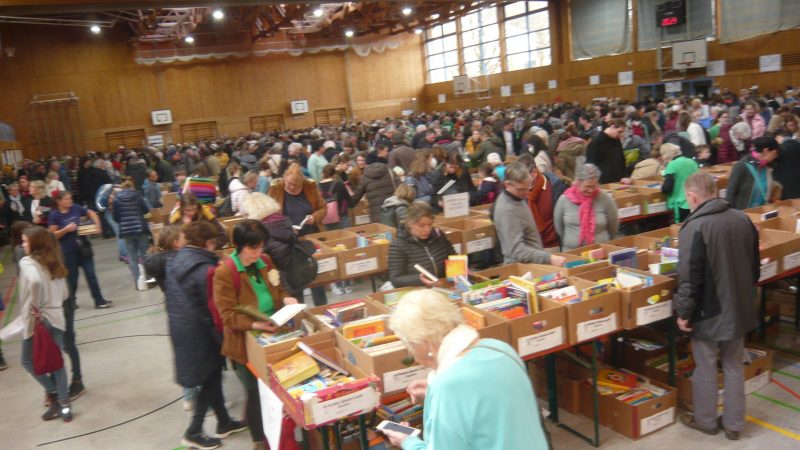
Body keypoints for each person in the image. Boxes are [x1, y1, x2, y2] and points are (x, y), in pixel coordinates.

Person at [382, 289, 549, 450]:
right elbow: (486, 403)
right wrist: (437, 392)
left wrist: (408, 441)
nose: (412, 355)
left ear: (424, 342)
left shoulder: (448, 386)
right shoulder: (500, 348)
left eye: (408, 344)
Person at [675, 172, 759, 442]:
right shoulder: (743, 219)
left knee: (706, 367)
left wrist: (684, 312)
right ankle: (734, 425)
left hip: (709, 312)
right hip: (740, 307)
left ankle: (706, 420)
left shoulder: (694, 227)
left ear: (692, 196)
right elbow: (755, 268)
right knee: (734, 366)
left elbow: (690, 276)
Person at [214, 220, 300, 450]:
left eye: (261, 247)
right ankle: (259, 441)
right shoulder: (226, 271)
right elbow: (228, 315)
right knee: (255, 392)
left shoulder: (265, 262)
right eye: (253, 248)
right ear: (239, 245)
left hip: (274, 333)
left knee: (277, 387)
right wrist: (256, 324)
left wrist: (286, 298)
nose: (258, 253)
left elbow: (279, 287)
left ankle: (282, 436)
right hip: (246, 342)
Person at [165, 221, 247, 450]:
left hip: (183, 329)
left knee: (212, 375)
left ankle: (223, 422)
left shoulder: (178, 259)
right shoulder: (204, 269)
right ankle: (194, 431)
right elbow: (215, 310)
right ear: (207, 243)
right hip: (200, 332)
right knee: (210, 378)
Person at [17, 226, 72, 422]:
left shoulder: (27, 261)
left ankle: (54, 393)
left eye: (25, 241)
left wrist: (34, 305)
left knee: (27, 361)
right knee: (57, 364)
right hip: (57, 319)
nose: (22, 244)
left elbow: (33, 281)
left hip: (39, 320)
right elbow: (65, 294)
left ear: (35, 244)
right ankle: (65, 406)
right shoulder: (54, 263)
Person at [268, 165, 328, 306]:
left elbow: (323, 208)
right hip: (288, 243)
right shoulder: (276, 189)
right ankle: (298, 313)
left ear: (302, 182)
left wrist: (314, 217)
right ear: (284, 179)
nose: (291, 187)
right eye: (288, 184)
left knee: (317, 279)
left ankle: (322, 309)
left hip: (310, 240)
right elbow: (268, 214)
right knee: (295, 282)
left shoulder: (310, 188)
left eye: (295, 185)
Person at [493, 162, 565, 266]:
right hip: (521, 270)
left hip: (531, 266)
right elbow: (518, 251)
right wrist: (549, 258)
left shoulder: (518, 197)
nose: (526, 193)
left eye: (528, 188)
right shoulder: (507, 211)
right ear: (507, 184)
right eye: (521, 189)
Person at [387, 202, 455, 288]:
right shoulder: (398, 246)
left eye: (430, 225)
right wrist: (419, 279)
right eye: (421, 226)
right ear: (410, 223)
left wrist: (459, 273)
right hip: (418, 293)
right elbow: (395, 280)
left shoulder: (438, 235)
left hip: (444, 287)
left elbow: (452, 257)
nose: (427, 229)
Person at [554, 163, 619, 251]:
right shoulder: (564, 200)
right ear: (578, 182)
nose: (591, 190)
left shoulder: (605, 199)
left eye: (594, 186)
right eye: (587, 186)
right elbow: (559, 227)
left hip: (600, 251)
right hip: (571, 251)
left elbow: (613, 226)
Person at [518, 154, 566, 251]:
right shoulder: (520, 192)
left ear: (534, 173)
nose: (520, 182)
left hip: (554, 246)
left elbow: (562, 220)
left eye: (523, 178)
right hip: (531, 248)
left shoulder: (555, 188)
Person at [113, 179, 151, 289]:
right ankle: (148, 280)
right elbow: (146, 210)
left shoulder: (117, 199)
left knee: (132, 258)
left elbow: (116, 217)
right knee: (145, 255)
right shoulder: (138, 195)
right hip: (140, 229)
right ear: (132, 187)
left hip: (126, 232)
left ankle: (138, 282)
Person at [726, 136, 780, 209]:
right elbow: (730, 193)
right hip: (743, 215)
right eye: (774, 153)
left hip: (761, 213)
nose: (776, 156)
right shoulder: (742, 166)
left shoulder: (768, 166)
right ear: (766, 150)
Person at [660, 143, 700, 223]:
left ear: (665, 155)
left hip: (682, 204)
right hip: (696, 201)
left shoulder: (672, 165)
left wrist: (662, 186)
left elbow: (667, 188)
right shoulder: (692, 162)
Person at [586, 118, 628, 184]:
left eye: (622, 132)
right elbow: (590, 164)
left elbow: (622, 160)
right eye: (619, 132)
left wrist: (625, 176)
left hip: (619, 180)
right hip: (603, 182)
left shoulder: (617, 141)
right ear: (612, 126)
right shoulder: (596, 143)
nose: (620, 135)